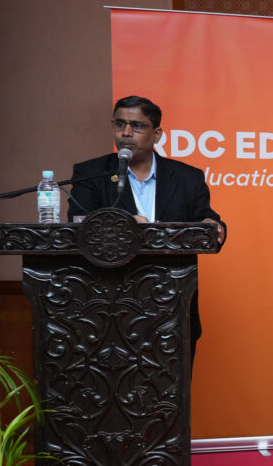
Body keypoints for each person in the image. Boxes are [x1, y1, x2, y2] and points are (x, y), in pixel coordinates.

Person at [67, 95, 225, 360]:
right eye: (120, 124)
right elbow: (78, 223)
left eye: (137, 126)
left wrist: (214, 226)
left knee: (173, 383)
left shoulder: (187, 177)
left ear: (157, 134)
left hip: (172, 306)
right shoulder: (92, 173)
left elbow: (207, 220)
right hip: (107, 307)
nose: (126, 133)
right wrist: (124, 224)